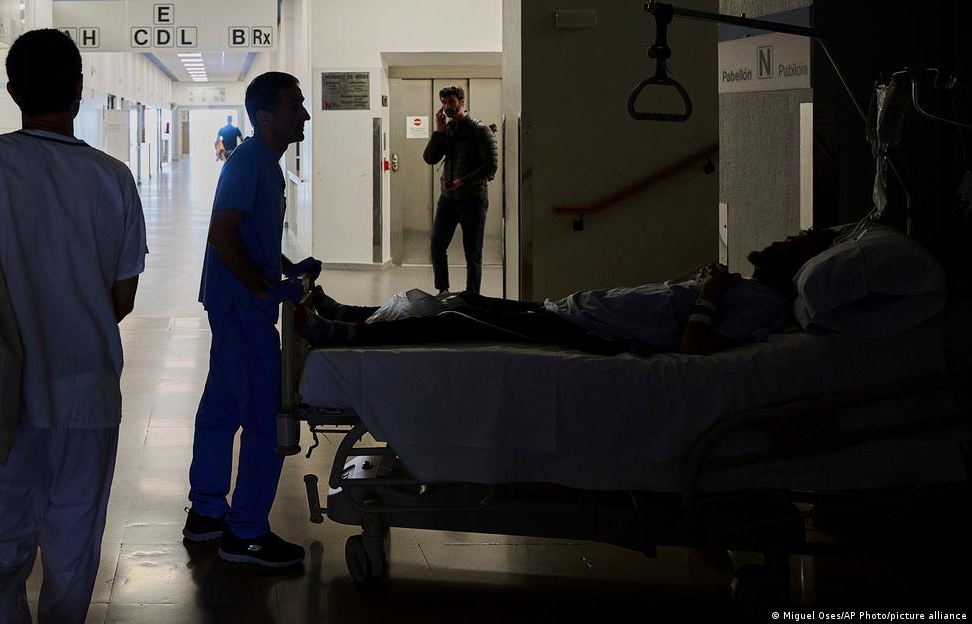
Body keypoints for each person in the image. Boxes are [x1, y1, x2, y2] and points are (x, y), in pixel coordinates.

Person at [0, 29, 146, 623]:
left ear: (14, 91)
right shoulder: (114, 179)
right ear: (78, 90)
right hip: (86, 398)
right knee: (72, 555)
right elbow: (121, 297)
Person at [297, 229, 839, 356]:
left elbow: (695, 349)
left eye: (796, 242)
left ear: (802, 267)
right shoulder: (747, 290)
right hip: (577, 310)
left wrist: (709, 295)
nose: (782, 238)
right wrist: (699, 283)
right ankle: (353, 312)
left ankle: (344, 336)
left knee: (460, 324)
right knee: (462, 300)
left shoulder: (765, 307)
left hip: (591, 335)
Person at [184, 72, 319, 567]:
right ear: (265, 116)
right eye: (294, 105)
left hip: (236, 302)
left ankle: (206, 513)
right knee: (266, 417)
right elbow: (223, 234)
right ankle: (244, 533)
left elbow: (251, 233)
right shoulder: (248, 163)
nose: (303, 114)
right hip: (242, 307)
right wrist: (263, 287)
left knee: (222, 407)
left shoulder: (265, 163)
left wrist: (286, 266)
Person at [423, 85, 498, 295]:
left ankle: (472, 296)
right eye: (444, 103)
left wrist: (462, 181)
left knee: (472, 252)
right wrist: (438, 132)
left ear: (462, 102)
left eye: (451, 102)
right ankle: (443, 291)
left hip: (473, 199)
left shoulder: (479, 130)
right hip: (447, 199)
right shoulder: (446, 131)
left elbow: (491, 167)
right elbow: (430, 158)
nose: (447, 107)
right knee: (437, 245)